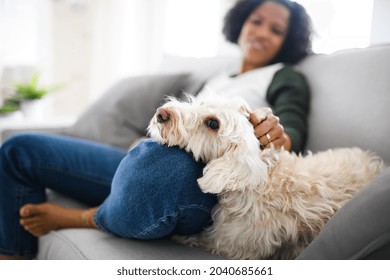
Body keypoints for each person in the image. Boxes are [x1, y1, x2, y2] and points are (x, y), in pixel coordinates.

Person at [0, 0, 312, 259]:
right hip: (148, 156)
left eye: (276, 30)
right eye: (256, 21)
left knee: (160, 163)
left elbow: (290, 128)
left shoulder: (283, 76)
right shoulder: (220, 78)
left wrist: (276, 134)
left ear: (288, 40)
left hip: (198, 180)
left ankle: (89, 217)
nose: (261, 33)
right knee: (18, 149)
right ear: (242, 22)